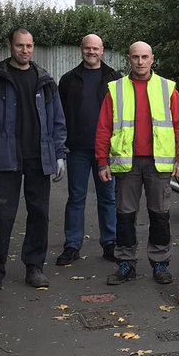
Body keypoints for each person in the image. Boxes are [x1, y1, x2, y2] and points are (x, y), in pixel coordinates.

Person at [0, 28, 66, 292]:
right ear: (10, 46)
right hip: (5, 158)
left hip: (39, 157)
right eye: (19, 45)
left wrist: (60, 154)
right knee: (1, 216)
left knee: (39, 214)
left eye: (29, 46)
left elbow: (58, 120)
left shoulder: (45, 81)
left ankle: (34, 268)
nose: (25, 50)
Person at [96, 41, 179, 285]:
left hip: (158, 163)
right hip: (126, 163)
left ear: (152, 59)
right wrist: (101, 161)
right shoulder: (115, 89)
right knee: (125, 215)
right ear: (128, 59)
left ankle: (160, 263)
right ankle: (125, 262)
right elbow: (103, 128)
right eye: (136, 57)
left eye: (144, 57)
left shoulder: (167, 88)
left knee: (160, 215)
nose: (140, 61)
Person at [55, 34, 122, 266]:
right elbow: (59, 116)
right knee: (76, 198)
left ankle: (111, 243)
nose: (91, 52)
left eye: (95, 48)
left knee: (108, 198)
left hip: (107, 151)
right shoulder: (68, 80)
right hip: (76, 150)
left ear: (102, 50)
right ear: (81, 49)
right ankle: (72, 245)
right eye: (87, 48)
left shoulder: (115, 79)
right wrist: (60, 148)